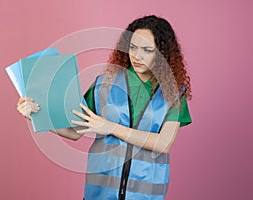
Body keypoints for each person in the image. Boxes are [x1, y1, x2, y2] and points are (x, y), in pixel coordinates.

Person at [17, 15, 192, 200]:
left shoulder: (173, 93)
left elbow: (163, 143)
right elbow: (76, 131)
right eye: (132, 47)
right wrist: (37, 116)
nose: (137, 56)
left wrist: (110, 127)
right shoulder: (104, 85)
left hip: (145, 195)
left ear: (162, 53)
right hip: (100, 193)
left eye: (147, 50)